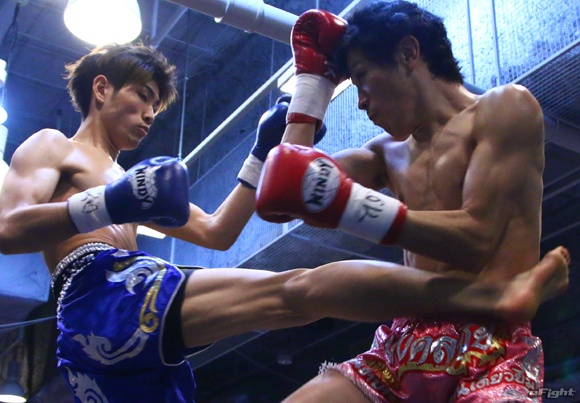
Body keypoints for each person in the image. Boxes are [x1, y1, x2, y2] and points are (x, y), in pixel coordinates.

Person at [0, 42, 567, 403]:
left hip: (110, 344)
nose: (150, 115)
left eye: (156, 105)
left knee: (293, 296)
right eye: (143, 97)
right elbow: (6, 229)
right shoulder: (53, 145)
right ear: (101, 88)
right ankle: (492, 298)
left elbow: (218, 232)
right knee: (296, 291)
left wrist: (264, 149)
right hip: (98, 295)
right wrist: (111, 204)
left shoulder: (133, 182)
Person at [256, 2, 571, 402]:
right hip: (399, 349)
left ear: (408, 53)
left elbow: (477, 239)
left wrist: (352, 206)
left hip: (491, 347)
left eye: (362, 78)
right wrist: (311, 91)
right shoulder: (385, 153)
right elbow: (285, 190)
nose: (360, 102)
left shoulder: (504, 108)